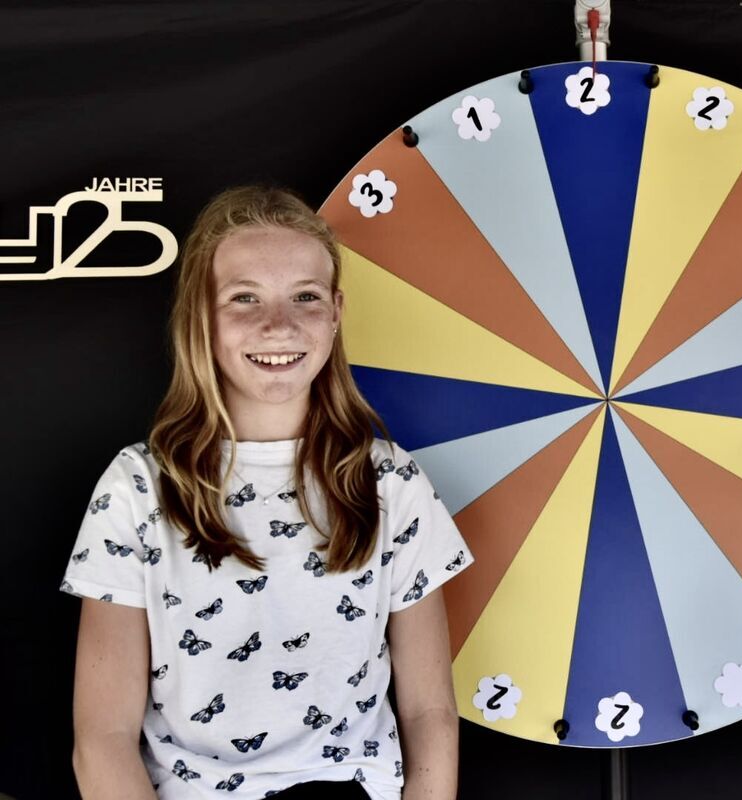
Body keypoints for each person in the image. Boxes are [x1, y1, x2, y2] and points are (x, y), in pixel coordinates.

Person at [63, 187, 472, 800]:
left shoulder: (390, 482)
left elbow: (429, 713)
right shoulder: (138, 488)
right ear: (201, 315)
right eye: (244, 297)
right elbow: (101, 739)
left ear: (335, 312)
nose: (277, 325)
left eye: (305, 296)